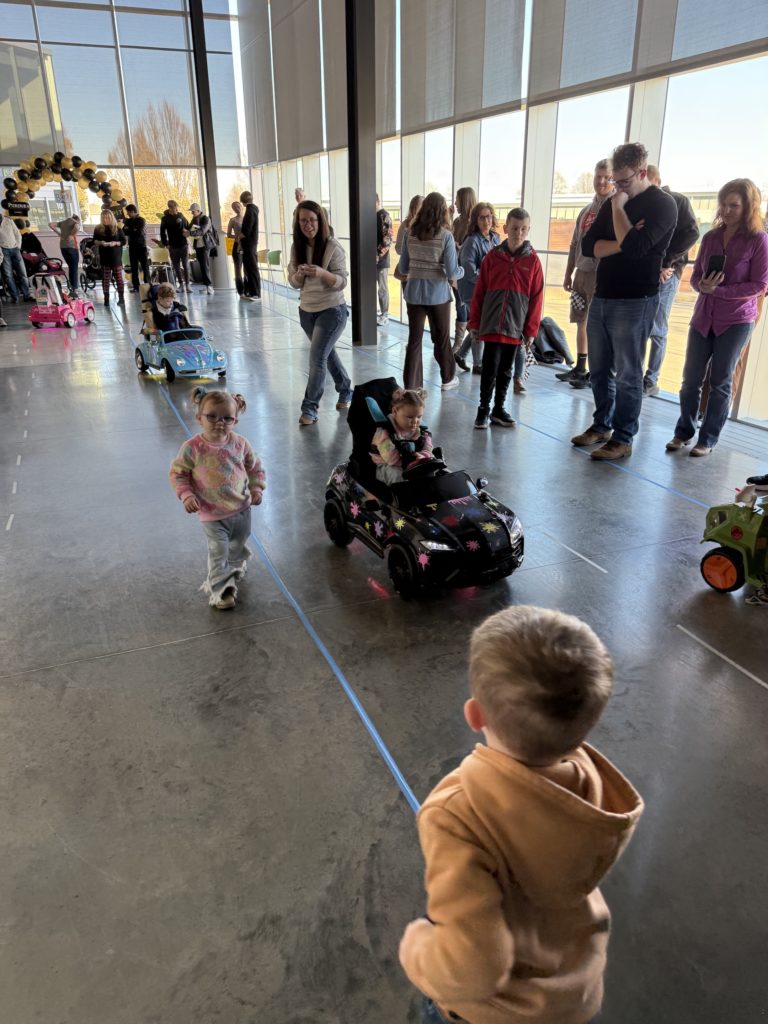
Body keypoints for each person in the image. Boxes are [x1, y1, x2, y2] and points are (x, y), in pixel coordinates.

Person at [398, 604, 643, 1024]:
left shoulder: (457, 815)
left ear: (474, 714)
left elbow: (473, 969)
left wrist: (417, 947)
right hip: (574, 995)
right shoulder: (594, 787)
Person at [574, 142, 678, 460]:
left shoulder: (662, 205)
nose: (616, 187)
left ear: (642, 172)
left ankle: (623, 437)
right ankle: (602, 424)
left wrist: (619, 211)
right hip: (603, 295)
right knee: (600, 368)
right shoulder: (612, 202)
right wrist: (626, 237)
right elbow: (590, 245)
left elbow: (638, 249)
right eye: (614, 181)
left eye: (623, 181)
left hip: (636, 299)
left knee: (629, 374)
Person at [666, 178, 768, 457]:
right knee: (690, 380)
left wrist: (719, 292)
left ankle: (707, 439)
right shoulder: (710, 237)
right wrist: (703, 287)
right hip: (703, 318)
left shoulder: (758, 239)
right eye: (723, 204)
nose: (726, 210)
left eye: (734, 205)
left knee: (721, 381)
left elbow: (760, 285)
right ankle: (683, 432)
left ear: (748, 207)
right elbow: (697, 277)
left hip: (736, 320)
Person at [170, 388, 265, 610]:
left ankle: (235, 565)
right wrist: (186, 495)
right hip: (211, 514)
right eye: (211, 416)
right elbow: (178, 473)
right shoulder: (193, 448)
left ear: (235, 420)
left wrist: (257, 488)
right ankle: (221, 590)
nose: (219, 422)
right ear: (199, 418)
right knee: (218, 551)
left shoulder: (240, 444)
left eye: (226, 418)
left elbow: (255, 467)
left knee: (237, 544)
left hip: (241, 509)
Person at [469, 208, 543, 429]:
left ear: (528, 230)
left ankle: (499, 409)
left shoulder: (533, 262)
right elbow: (480, 292)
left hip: (514, 326)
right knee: (489, 367)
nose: (518, 233)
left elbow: (537, 297)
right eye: (514, 228)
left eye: (523, 229)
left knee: (506, 370)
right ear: (505, 229)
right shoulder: (492, 257)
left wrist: (531, 330)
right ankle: (483, 409)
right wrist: (475, 322)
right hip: (492, 324)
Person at [287, 201, 352, 426]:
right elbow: (293, 282)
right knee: (326, 354)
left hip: (332, 311)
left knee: (317, 358)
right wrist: (300, 275)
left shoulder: (333, 247)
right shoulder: (297, 247)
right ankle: (345, 389)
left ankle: (310, 408)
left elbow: (342, 282)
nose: (308, 225)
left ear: (320, 221)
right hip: (307, 311)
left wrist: (322, 273)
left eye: (312, 220)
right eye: (303, 220)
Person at [397, 192, 463, 391]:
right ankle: (447, 379)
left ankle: (412, 385)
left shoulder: (410, 234)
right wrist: (463, 270)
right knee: (441, 337)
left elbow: (403, 269)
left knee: (414, 340)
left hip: (414, 293)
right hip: (438, 295)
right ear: (443, 211)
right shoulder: (446, 237)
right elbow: (452, 272)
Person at [642, 166, 699, 396]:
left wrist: (667, 262)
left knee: (657, 328)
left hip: (667, 274)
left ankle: (651, 379)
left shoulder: (677, 201)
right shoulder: (644, 205)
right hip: (647, 273)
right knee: (641, 327)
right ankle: (637, 377)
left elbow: (692, 233)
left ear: (657, 181)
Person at [559, 159, 614, 388]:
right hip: (582, 272)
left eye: (606, 177)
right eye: (598, 176)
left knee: (597, 324)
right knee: (581, 319)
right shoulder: (586, 211)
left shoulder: (615, 208)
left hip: (601, 276)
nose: (601, 181)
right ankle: (581, 368)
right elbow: (574, 244)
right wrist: (568, 272)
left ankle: (597, 371)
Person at [455, 203, 501, 375]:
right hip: (471, 289)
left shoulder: (496, 238)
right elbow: (469, 272)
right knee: (479, 325)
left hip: (489, 289)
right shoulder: (471, 242)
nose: (486, 220)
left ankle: (461, 354)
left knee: (480, 324)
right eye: (481, 217)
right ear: (476, 220)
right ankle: (478, 364)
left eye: (488, 216)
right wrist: (490, 278)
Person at [371, 387, 433, 486]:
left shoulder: (421, 431)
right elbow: (391, 459)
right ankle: (403, 498)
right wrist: (413, 462)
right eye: (409, 417)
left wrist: (424, 456)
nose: (415, 421)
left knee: (432, 470)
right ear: (395, 412)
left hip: (413, 462)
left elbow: (428, 448)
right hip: (388, 464)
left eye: (419, 417)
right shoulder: (384, 433)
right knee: (398, 476)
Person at [451, 187, 477, 353]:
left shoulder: (472, 223)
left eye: (457, 200)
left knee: (465, 306)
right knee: (461, 306)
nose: (455, 203)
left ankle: (462, 345)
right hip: (456, 269)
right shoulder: (457, 221)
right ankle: (462, 345)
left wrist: (460, 248)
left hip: (468, 272)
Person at [92, 209, 126, 306]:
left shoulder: (117, 228)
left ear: (111, 218)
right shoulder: (98, 228)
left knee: (119, 278)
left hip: (115, 256)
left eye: (107, 218)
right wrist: (100, 242)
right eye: (103, 218)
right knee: (105, 278)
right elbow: (94, 240)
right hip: (104, 256)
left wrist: (115, 243)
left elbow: (123, 241)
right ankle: (106, 299)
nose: (105, 219)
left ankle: (121, 298)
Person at [160, 200, 191, 293]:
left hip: (183, 245)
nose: (175, 210)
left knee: (186, 265)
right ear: (169, 208)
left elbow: (188, 226)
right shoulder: (165, 219)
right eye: (173, 209)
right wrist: (166, 244)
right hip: (172, 246)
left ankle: (188, 285)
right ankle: (181, 284)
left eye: (176, 208)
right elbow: (162, 232)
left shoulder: (181, 216)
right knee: (176, 266)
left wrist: (187, 233)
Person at [0, 213, 32, 301]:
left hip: (15, 249)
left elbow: (17, 234)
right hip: (3, 251)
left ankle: (27, 296)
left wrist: (18, 246)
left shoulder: (9, 220)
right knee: (8, 275)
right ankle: (15, 297)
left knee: (22, 273)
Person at [238, 191, 261, 302]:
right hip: (251, 243)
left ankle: (256, 293)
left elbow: (246, 229)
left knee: (251, 268)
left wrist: (239, 238)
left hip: (249, 244)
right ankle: (251, 291)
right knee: (249, 268)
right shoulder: (253, 209)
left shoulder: (250, 210)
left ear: (242, 201)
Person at [49, 213, 81, 293]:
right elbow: (77, 227)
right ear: (77, 219)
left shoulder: (63, 222)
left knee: (71, 267)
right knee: (74, 268)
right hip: (72, 247)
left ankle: (71, 286)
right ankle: (74, 288)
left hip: (63, 247)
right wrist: (72, 234)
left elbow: (50, 224)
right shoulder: (75, 222)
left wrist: (59, 233)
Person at [122, 205, 150, 293]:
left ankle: (147, 284)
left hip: (141, 246)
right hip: (132, 246)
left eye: (129, 212)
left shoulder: (141, 220)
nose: (127, 214)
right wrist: (132, 230)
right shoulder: (128, 221)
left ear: (133, 211)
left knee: (145, 266)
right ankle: (136, 286)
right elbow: (124, 231)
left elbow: (139, 232)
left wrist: (130, 230)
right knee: (134, 267)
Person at [189, 203, 216, 295]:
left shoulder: (206, 219)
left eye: (193, 212)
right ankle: (206, 286)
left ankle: (209, 286)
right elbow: (189, 228)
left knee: (205, 265)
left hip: (205, 245)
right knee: (202, 265)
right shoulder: (194, 219)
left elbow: (202, 231)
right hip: (198, 246)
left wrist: (190, 233)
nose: (192, 213)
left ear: (198, 210)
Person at [376, 207, 393, 326]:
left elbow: (388, 240)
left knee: (382, 288)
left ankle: (385, 314)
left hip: (381, 260)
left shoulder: (383, 216)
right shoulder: (370, 216)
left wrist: (377, 255)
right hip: (371, 258)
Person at [227, 201, 244, 297]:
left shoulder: (246, 219)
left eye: (237, 206)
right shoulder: (233, 220)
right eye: (234, 208)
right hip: (237, 246)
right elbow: (229, 234)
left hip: (246, 246)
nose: (236, 208)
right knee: (238, 269)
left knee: (247, 269)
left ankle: (248, 289)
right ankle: (240, 291)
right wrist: (237, 237)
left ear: (241, 206)